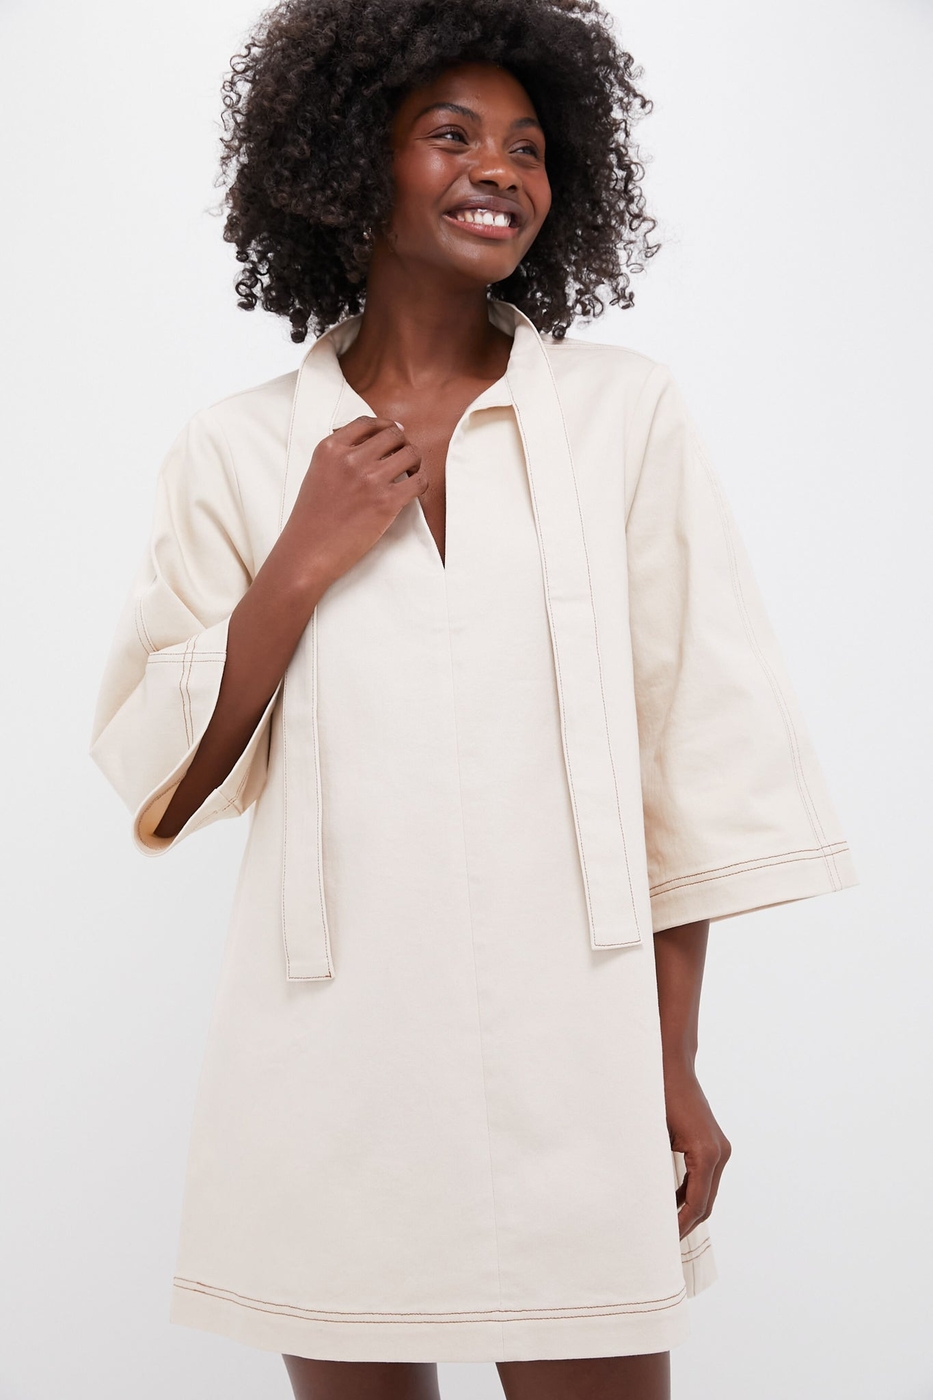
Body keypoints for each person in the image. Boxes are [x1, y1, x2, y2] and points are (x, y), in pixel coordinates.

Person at [88, 1, 858, 1396]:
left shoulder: (622, 416)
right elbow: (166, 777)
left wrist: (670, 1063)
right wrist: (298, 563)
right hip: (330, 1049)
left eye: (528, 145)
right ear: (350, 160)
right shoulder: (240, 449)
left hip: (581, 1046)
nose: (498, 168)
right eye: (449, 135)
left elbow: (688, 759)